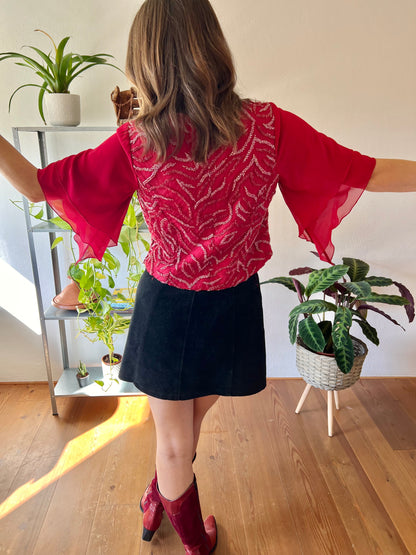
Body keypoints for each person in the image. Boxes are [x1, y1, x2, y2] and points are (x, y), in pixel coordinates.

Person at [1, 0, 415, 553]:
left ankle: (164, 506)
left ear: (144, 59)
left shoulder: (136, 141)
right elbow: (362, 169)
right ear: (214, 49)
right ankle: (193, 536)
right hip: (232, 302)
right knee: (183, 432)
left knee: (175, 437)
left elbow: (34, 184)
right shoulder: (270, 127)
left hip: (168, 306)